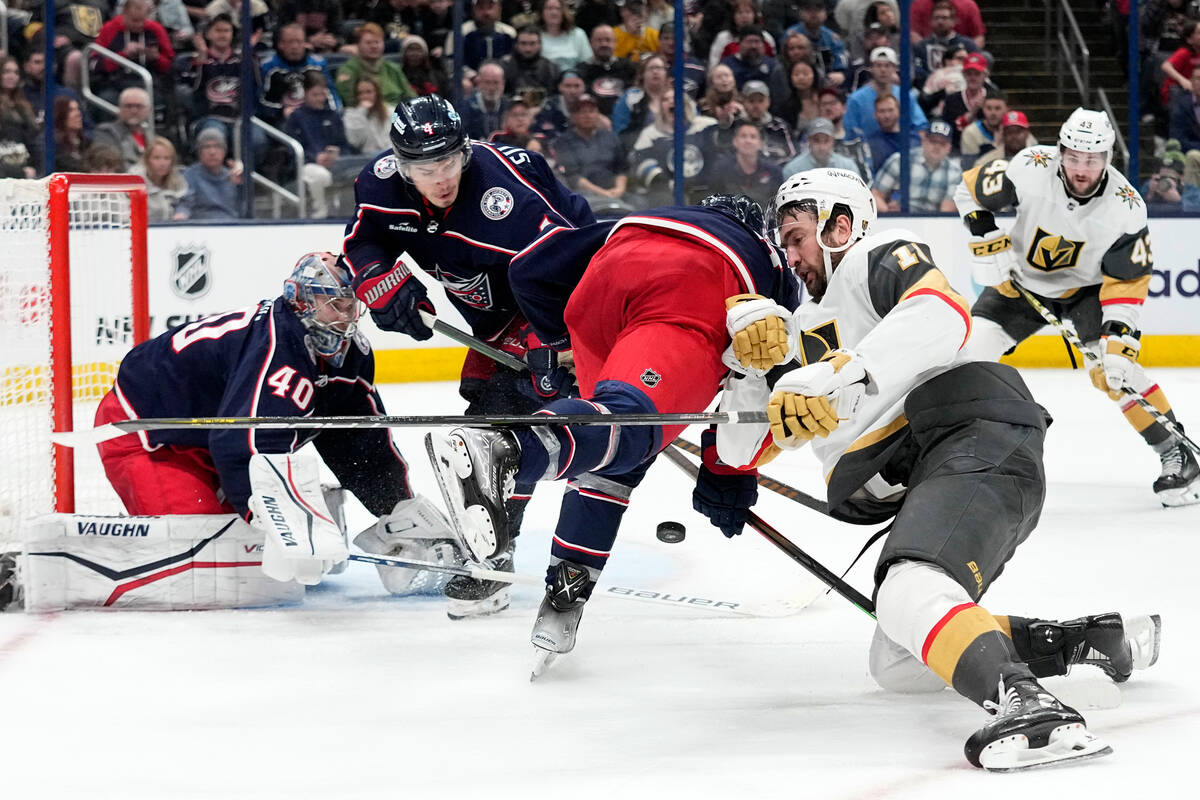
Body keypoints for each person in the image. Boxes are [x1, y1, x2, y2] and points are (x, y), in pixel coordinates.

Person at [707, 167, 1158, 771]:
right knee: (896, 664)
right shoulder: (793, 330)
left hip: (971, 431)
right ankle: (1090, 640)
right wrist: (742, 367)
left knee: (910, 586)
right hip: (940, 458)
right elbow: (737, 453)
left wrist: (841, 374)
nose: (790, 256)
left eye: (797, 236)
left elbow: (944, 314)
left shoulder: (876, 256)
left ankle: (1028, 706)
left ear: (840, 225)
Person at [425, 195, 800, 676]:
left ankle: (566, 592)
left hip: (602, 285)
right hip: (690, 286)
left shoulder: (647, 217)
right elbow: (767, 388)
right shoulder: (768, 262)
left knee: (611, 450)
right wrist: (726, 471)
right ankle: (508, 450)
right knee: (629, 426)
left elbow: (530, 271)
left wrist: (561, 348)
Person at [342, 95, 596, 618]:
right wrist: (380, 282)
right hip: (493, 316)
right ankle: (491, 542)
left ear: (466, 151)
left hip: (557, 296)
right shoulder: (381, 183)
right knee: (486, 411)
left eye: (448, 161)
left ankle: (491, 557)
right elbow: (366, 239)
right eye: (422, 167)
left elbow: (573, 266)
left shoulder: (505, 196)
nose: (439, 177)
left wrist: (559, 342)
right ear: (400, 165)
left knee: (495, 425)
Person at [92, 252, 458, 599]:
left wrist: (394, 507)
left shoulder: (352, 355)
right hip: (148, 436)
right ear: (302, 301)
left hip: (211, 438)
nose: (345, 317)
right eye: (334, 304)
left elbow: (360, 441)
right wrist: (273, 523)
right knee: (210, 562)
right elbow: (240, 441)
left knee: (245, 558)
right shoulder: (278, 345)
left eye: (350, 305)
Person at [953, 108, 1200, 506]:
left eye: (1092, 159)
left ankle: (1175, 449)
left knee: (1115, 371)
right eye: (1073, 157)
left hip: (1088, 291)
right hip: (1021, 283)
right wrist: (985, 233)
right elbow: (968, 190)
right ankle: (944, 454)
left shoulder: (1126, 207)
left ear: (1108, 157)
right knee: (969, 353)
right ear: (1060, 151)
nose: (1081, 168)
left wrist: (1119, 336)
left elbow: (1127, 281)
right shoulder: (1029, 167)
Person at [284, 72, 355, 219]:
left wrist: (337, 155)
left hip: (336, 164)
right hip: (306, 165)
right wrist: (314, 158)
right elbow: (291, 149)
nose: (319, 99)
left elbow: (344, 145)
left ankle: (349, 214)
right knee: (320, 175)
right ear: (305, 94)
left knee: (354, 171)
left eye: (322, 94)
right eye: (314, 95)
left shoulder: (333, 116)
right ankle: (321, 214)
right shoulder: (296, 117)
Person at [872, 118, 961, 212]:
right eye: (933, 141)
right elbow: (876, 195)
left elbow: (946, 212)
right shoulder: (900, 160)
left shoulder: (955, 172)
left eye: (942, 143)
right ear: (924, 141)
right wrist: (888, 214)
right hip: (899, 219)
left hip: (934, 224)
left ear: (949, 148)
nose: (937, 147)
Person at [842, 46, 928, 141]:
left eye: (887, 66)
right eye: (878, 65)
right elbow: (850, 131)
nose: (883, 70)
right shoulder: (856, 99)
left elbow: (920, 126)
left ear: (895, 68)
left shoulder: (906, 96)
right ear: (871, 68)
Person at [336, 22, 417, 108]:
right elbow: (349, 101)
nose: (374, 46)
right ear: (358, 45)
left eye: (377, 42)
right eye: (368, 43)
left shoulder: (392, 68)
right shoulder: (349, 69)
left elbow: (410, 96)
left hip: (398, 114)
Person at [706, 119, 783, 207]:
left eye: (753, 137)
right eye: (743, 136)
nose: (748, 141)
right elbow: (712, 202)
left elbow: (776, 205)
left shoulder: (774, 171)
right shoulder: (720, 169)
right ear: (735, 142)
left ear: (760, 144)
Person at [175, 127, 241, 220]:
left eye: (217, 146)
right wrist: (181, 214)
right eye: (207, 147)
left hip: (231, 227)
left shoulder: (233, 176)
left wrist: (242, 183)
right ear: (199, 152)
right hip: (200, 227)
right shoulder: (189, 175)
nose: (212, 152)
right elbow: (185, 203)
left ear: (224, 151)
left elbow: (244, 208)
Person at [576, 24, 637, 117]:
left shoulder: (629, 67)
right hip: (594, 120)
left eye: (608, 40)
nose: (604, 44)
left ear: (615, 43)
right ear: (590, 43)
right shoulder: (581, 70)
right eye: (599, 40)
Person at [92, 87, 152, 171]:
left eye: (139, 106)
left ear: (149, 110)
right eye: (128, 106)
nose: (133, 111)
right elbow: (111, 166)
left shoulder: (153, 137)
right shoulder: (106, 132)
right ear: (119, 108)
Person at [131, 136, 188, 221]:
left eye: (166, 158)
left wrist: (182, 212)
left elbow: (185, 203)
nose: (162, 163)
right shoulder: (134, 182)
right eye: (156, 158)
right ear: (147, 160)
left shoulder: (179, 181)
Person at [782, 116, 860, 178]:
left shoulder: (848, 167)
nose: (822, 147)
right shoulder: (793, 170)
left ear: (833, 141)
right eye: (816, 140)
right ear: (809, 140)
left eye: (826, 141)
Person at [0, 57, 39, 178]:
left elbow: (32, 140)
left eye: (16, 72)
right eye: (7, 72)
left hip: (26, 164)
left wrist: (33, 166)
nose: (12, 76)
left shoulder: (24, 105)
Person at [863, 93, 919, 179]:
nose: (887, 116)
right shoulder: (870, 143)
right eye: (882, 111)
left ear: (899, 111)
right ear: (875, 114)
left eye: (890, 110)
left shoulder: (914, 139)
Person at [740, 80, 796, 165]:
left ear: (768, 102)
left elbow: (793, 155)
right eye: (751, 101)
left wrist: (772, 169)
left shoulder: (780, 126)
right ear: (744, 102)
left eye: (761, 101)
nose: (756, 106)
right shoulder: (736, 125)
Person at [500, 26, 561, 101]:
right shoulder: (504, 67)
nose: (527, 49)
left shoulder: (551, 69)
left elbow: (555, 98)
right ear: (516, 45)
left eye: (532, 44)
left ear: (540, 44)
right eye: (523, 43)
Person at [538, 0, 593, 72]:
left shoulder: (578, 34)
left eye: (558, 8)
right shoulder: (536, 35)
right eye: (549, 8)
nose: (554, 12)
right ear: (542, 13)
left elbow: (587, 62)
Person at [1141, 145, 1200, 212]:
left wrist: (1178, 201)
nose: (1165, 181)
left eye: (1171, 178)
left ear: (1182, 178)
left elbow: (1195, 214)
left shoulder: (1193, 192)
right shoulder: (1149, 186)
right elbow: (1137, 209)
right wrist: (1150, 195)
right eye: (1162, 177)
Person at [461, 61, 510, 140]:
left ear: (503, 83)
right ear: (479, 83)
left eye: (496, 82)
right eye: (487, 82)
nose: (492, 88)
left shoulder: (509, 107)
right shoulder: (464, 108)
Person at [959, 90, 1008, 169]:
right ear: (983, 109)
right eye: (989, 108)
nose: (993, 113)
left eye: (998, 108)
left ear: (1006, 110)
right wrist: (995, 145)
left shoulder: (1014, 131)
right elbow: (969, 168)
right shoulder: (970, 132)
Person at [344, 78, 393, 155]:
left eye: (369, 92)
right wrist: (361, 113)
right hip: (366, 157)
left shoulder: (391, 111)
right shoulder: (351, 115)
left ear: (377, 93)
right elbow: (355, 142)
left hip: (391, 153)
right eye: (360, 93)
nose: (365, 96)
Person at [53, 97, 91, 173]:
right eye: (71, 110)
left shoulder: (86, 143)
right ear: (61, 114)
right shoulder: (54, 145)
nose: (78, 114)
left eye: (78, 109)